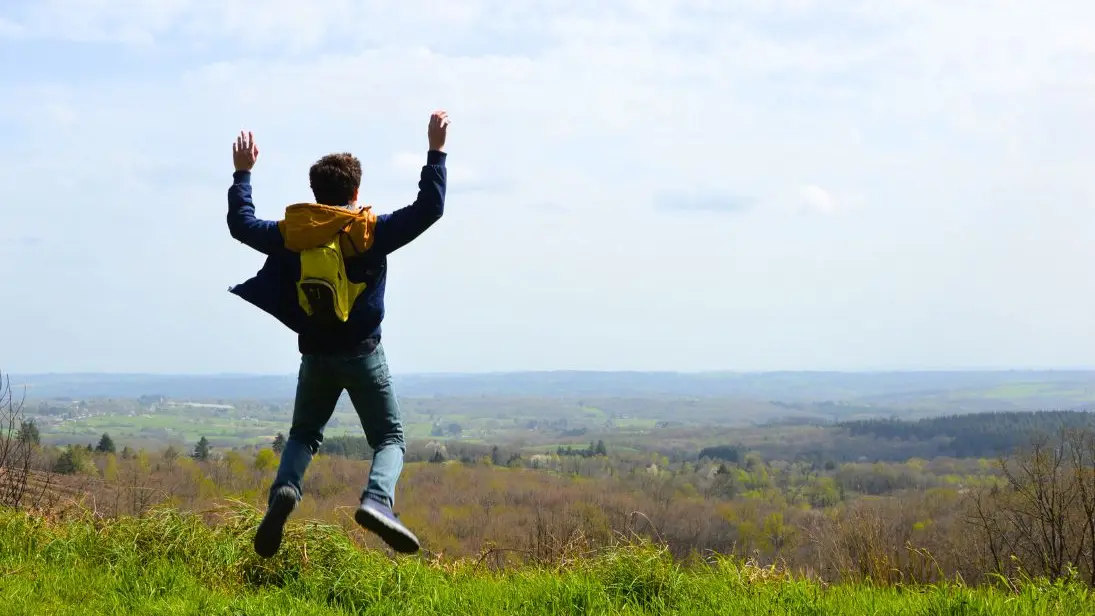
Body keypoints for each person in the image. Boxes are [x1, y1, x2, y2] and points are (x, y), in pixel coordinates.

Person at [225, 110, 450, 558]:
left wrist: (243, 174)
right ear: (355, 191)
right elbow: (430, 208)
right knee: (389, 439)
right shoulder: (370, 231)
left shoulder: (293, 233)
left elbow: (241, 225)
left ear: (315, 192)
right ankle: (378, 500)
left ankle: (286, 490)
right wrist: (436, 151)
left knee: (304, 435)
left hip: (315, 356)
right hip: (365, 354)